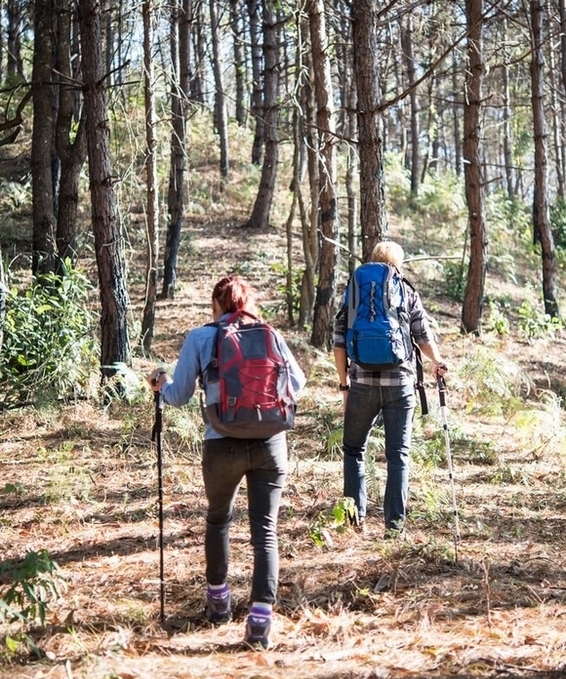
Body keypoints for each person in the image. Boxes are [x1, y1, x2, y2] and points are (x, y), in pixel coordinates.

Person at [147, 275, 306, 648]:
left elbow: (180, 396)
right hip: (270, 444)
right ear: (249, 302)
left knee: (219, 519)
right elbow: (297, 383)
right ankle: (260, 623)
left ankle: (218, 603)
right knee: (265, 532)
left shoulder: (202, 338)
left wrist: (161, 383)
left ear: (216, 304)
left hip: (221, 443)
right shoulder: (270, 334)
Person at [333, 241, 447, 538]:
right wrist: (438, 361)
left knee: (354, 450)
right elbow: (422, 334)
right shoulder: (406, 290)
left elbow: (339, 341)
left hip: (362, 384)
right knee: (398, 456)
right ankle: (394, 528)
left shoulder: (355, 290)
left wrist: (344, 384)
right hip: (401, 385)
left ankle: (354, 523)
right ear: (398, 264)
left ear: (372, 261)